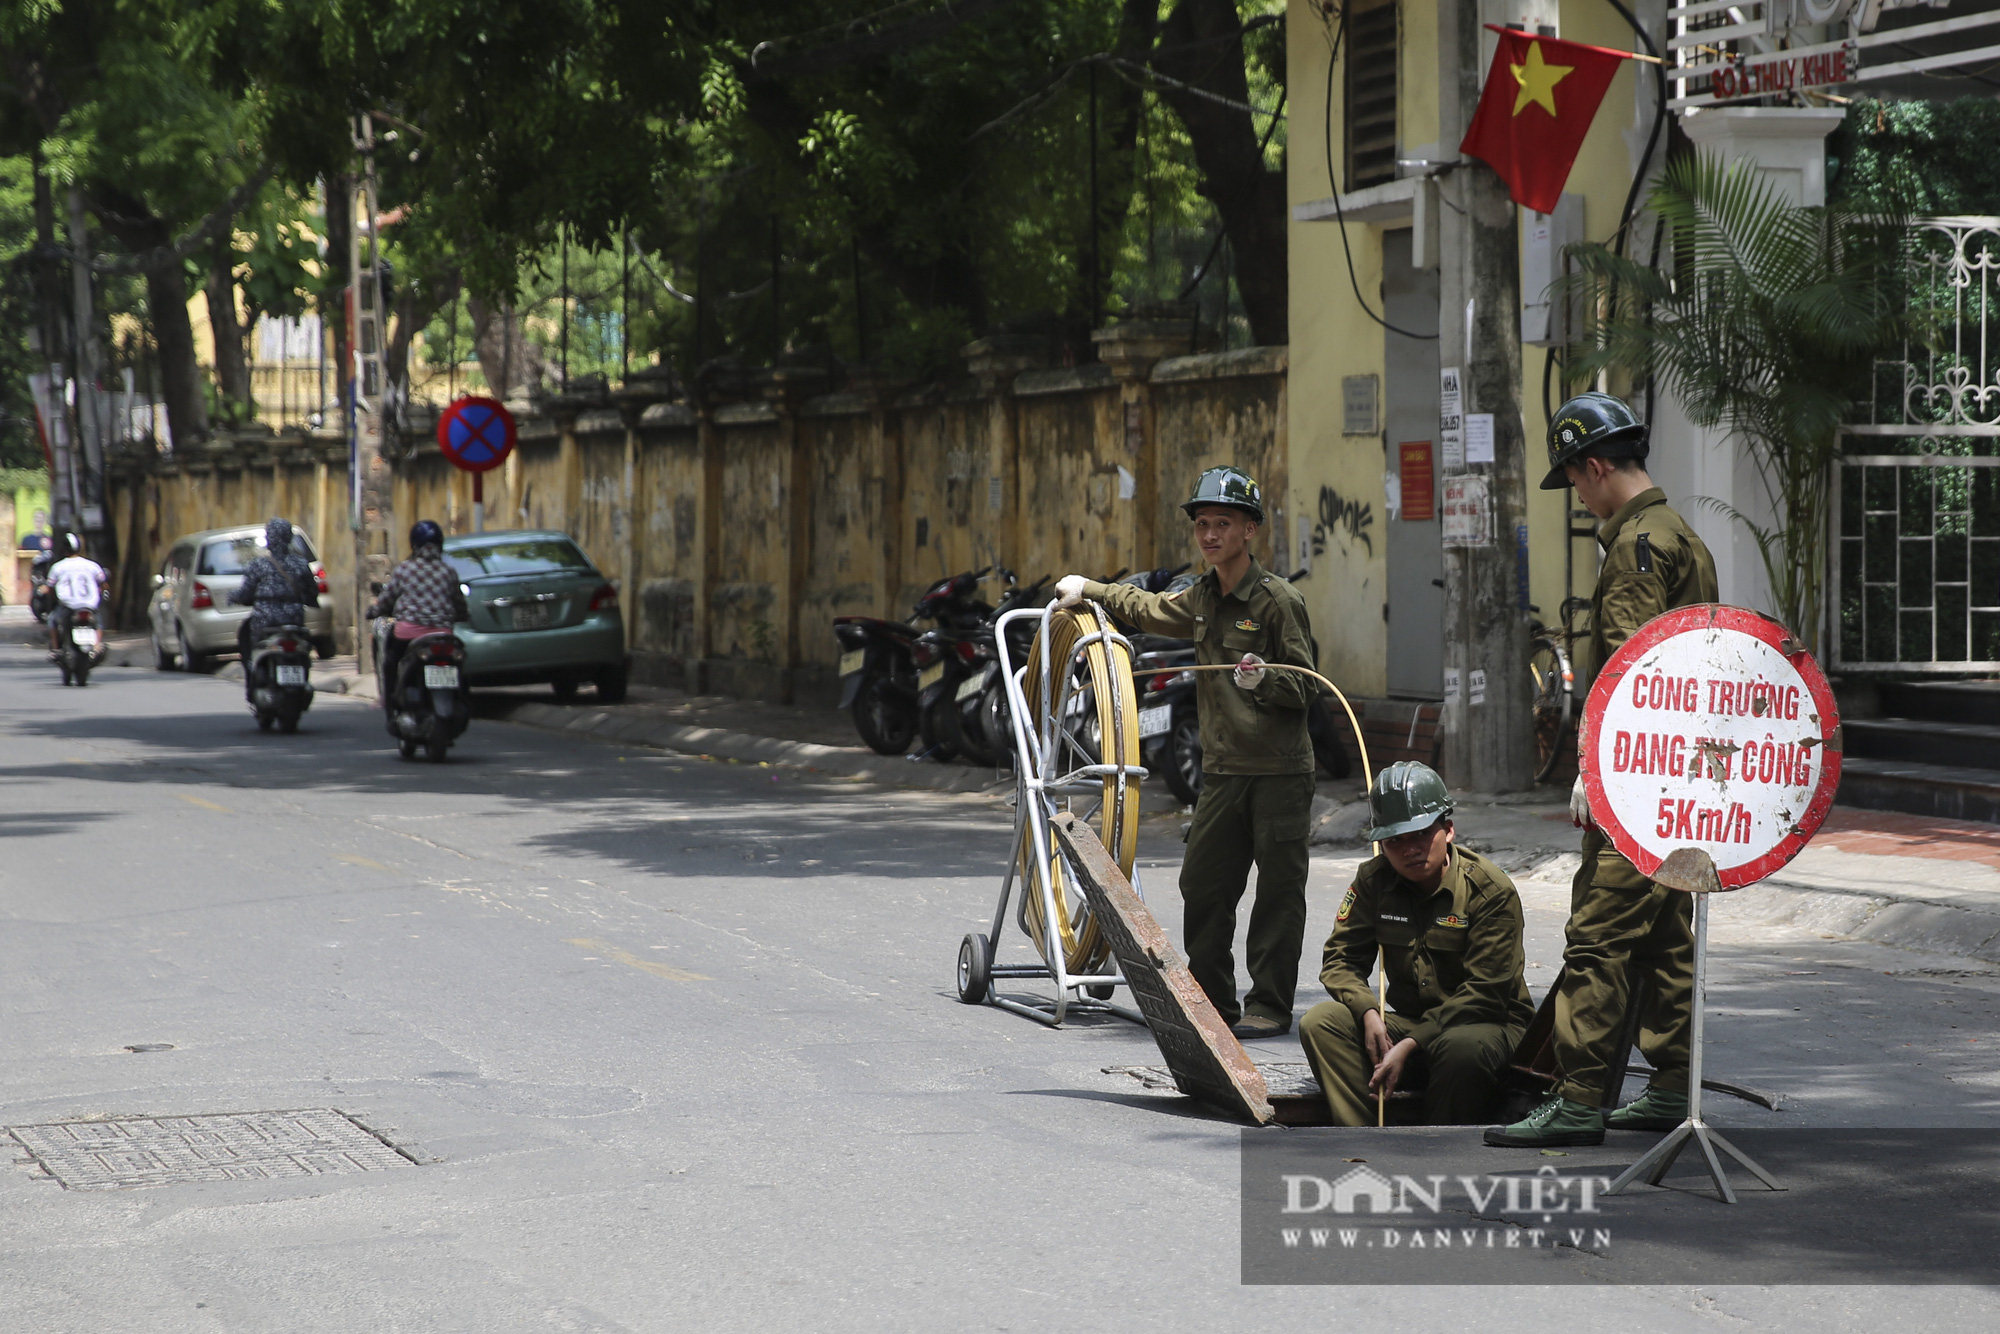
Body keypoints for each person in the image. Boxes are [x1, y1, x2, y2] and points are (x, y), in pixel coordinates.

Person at [1485, 392, 1719, 1149]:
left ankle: (1580, 1096)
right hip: (1680, 773)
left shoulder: (1635, 546)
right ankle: (1672, 1083)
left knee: (1598, 931)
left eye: (1576, 483)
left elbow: (1634, 669)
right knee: (1663, 935)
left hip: (1641, 776)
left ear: (1594, 467)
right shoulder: (1681, 534)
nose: (1579, 500)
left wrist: (1600, 766)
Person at [1055, 465, 1318, 1039]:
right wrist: (1092, 591)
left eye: (1222, 523)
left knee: (1277, 893)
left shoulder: (1278, 602)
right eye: (1202, 524)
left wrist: (1266, 678)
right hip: (1223, 774)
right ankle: (1214, 1004)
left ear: (1250, 529)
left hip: (1279, 773)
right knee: (1202, 885)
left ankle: (1270, 1005)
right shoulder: (1200, 598)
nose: (1209, 535)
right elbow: (1148, 608)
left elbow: (1308, 686)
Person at [1299, 763, 1534, 1125]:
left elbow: (1486, 992)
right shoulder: (1373, 881)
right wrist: (1368, 1013)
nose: (1409, 850)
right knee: (1321, 1022)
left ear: (1448, 830)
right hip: (1410, 1024)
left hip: (1486, 1026)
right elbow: (1340, 960)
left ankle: (1433, 1148)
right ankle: (1361, 1138)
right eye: (1395, 840)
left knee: (1461, 1048)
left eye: (1421, 834)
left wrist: (1411, 1044)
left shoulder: (1490, 890)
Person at [367, 519, 468, 700]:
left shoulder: (404, 569)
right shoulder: (448, 571)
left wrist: (375, 610)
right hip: (443, 633)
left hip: (408, 633)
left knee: (391, 661)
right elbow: (459, 604)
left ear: (414, 545)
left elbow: (387, 598)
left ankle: (389, 703)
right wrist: (462, 616)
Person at [229, 518, 319, 692]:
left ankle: (251, 673)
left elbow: (246, 593)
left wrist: (234, 597)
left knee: (245, 635)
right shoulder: (300, 564)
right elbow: (311, 593)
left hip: (265, 621)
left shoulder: (259, 565)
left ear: (270, 539)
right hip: (295, 619)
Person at [46, 533, 107, 655]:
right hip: (90, 605)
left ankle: (56, 648)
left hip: (68, 606)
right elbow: (103, 583)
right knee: (98, 622)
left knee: (52, 620)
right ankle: (97, 646)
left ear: (64, 549)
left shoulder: (58, 567)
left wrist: (48, 592)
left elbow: (50, 587)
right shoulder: (92, 566)